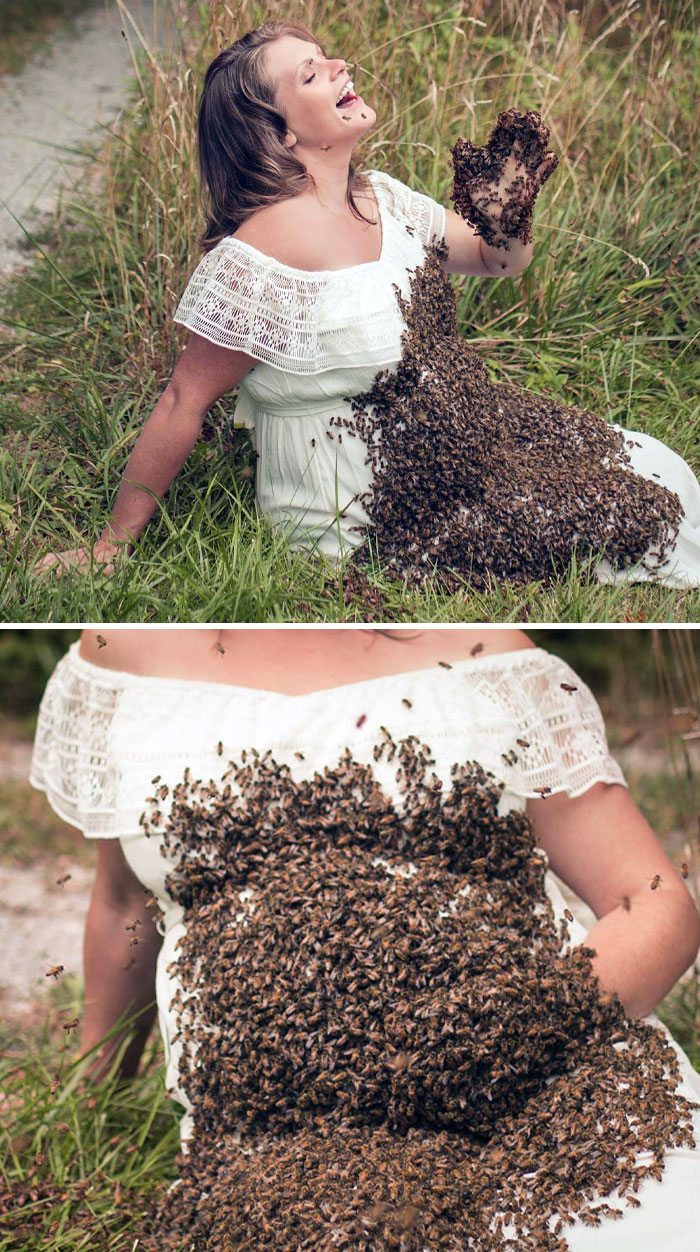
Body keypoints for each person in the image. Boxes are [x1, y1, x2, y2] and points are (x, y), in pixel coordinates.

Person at [29, 625, 700, 1250]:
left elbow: (653, 899)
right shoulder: (119, 655)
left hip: (545, 1086)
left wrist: (496, 1032)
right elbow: (124, 904)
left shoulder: (492, 653)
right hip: (273, 1143)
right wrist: (87, 1107)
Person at [33, 20, 700, 589]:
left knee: (656, 465)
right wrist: (110, 546)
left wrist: (505, 210)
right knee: (633, 517)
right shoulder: (260, 254)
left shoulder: (380, 196)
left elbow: (497, 261)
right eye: (311, 74)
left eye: (325, 58)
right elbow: (184, 400)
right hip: (369, 507)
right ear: (279, 133)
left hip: (457, 443)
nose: (338, 66)